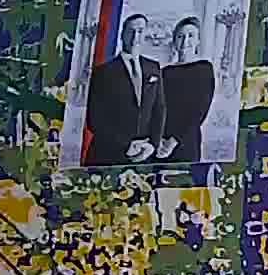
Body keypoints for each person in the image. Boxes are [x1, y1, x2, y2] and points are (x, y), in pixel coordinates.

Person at [82, 14, 167, 167]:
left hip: (144, 154)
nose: (135, 36)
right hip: (108, 154)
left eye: (140, 31)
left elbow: (159, 109)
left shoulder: (153, 67)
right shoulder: (103, 72)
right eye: (130, 31)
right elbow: (94, 120)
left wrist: (153, 145)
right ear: (122, 34)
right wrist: (126, 145)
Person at [159, 16, 214, 163]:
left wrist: (173, 141)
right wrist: (158, 139)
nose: (185, 41)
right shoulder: (165, 72)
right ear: (174, 41)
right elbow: (158, 107)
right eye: (180, 36)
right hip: (160, 142)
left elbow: (200, 109)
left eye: (190, 36)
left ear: (198, 40)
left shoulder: (204, 68)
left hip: (186, 140)